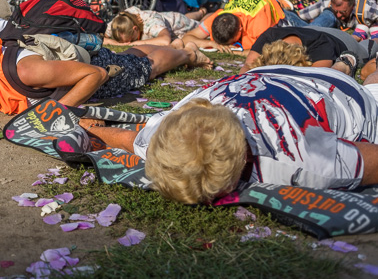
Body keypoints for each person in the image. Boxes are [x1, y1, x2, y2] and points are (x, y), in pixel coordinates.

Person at [77, 65, 378, 204]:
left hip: (346, 96)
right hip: (278, 74)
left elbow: (372, 160)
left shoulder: (301, 159)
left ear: (245, 158)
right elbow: (129, 139)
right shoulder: (169, 132)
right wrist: (88, 128)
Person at [0, 38, 212, 115]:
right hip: (83, 62)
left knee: (145, 68)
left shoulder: (26, 72)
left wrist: (58, 111)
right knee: (127, 56)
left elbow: (95, 74)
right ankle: (172, 45)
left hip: (95, 70)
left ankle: (187, 53)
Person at [181, 0, 287, 51]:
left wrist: (235, 52)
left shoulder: (258, 24)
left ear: (240, 30)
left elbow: (263, 50)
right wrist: (210, 43)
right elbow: (186, 38)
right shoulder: (220, 17)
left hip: (279, 10)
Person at [240, 25, 376, 73]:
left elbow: (314, 78)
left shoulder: (320, 48)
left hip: (340, 40)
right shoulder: (269, 36)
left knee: (367, 50)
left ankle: (369, 38)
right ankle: (358, 34)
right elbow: (247, 66)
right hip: (310, 30)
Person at [284, 0, 378, 33]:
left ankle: (307, 34)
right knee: (328, 14)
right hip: (321, 30)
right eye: (335, 11)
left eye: (342, 12)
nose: (338, 15)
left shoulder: (368, 8)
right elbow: (302, 15)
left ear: (353, 5)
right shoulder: (328, 0)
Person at [104, 7, 200, 47]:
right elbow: (99, 37)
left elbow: (165, 40)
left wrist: (136, 43)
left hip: (180, 23)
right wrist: (114, 42)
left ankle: (203, 12)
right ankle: (201, 12)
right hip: (167, 18)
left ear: (135, 29)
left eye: (130, 40)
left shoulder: (152, 22)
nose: (128, 43)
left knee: (201, 24)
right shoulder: (119, 23)